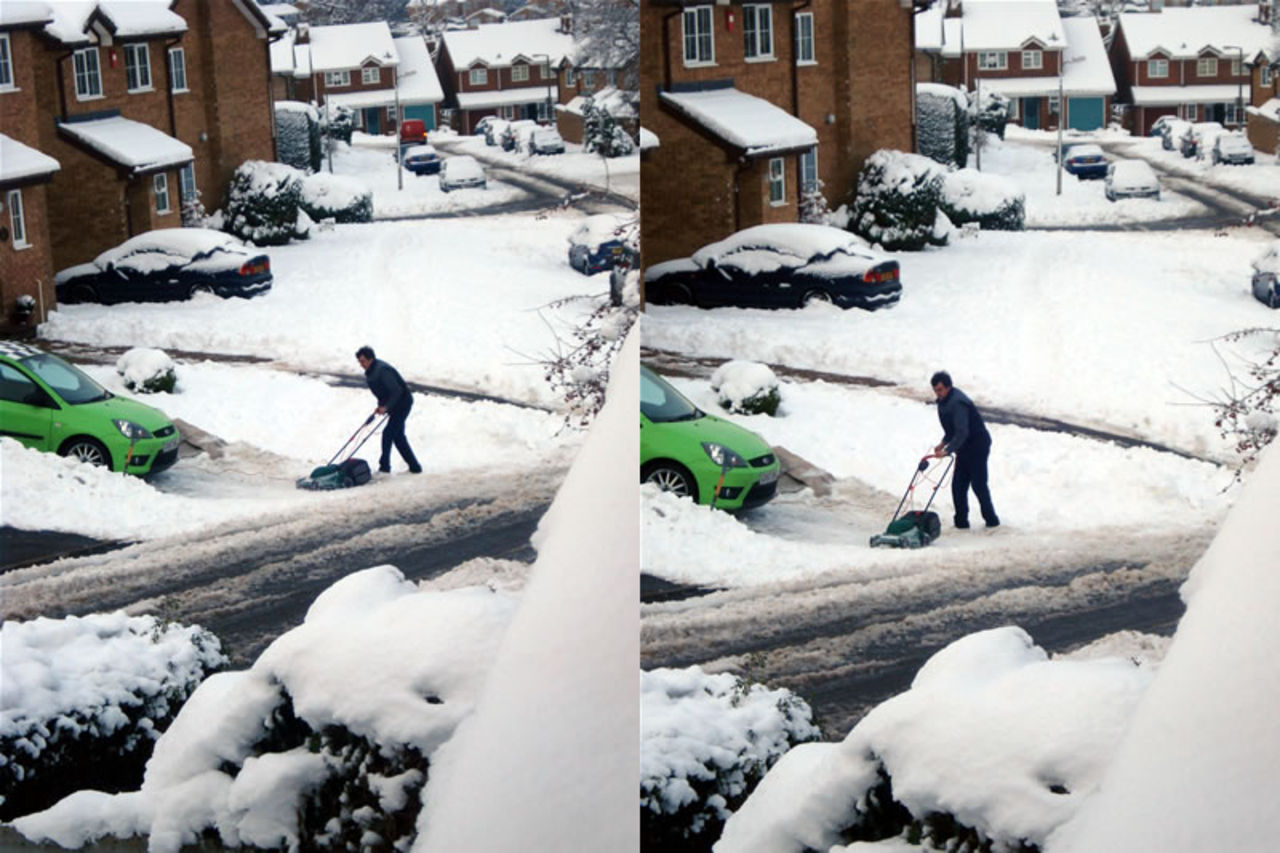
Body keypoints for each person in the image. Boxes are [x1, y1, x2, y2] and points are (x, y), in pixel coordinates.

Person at [930, 370, 999, 529]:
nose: (937, 393)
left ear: (948, 387)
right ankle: (961, 523)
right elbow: (952, 429)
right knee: (958, 486)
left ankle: (992, 520)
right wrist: (943, 442)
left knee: (978, 484)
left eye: (940, 390)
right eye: (935, 390)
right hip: (963, 447)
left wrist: (947, 450)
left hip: (977, 445)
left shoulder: (958, 403)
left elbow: (962, 431)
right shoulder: (944, 402)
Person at [355, 345, 421, 474]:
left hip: (403, 403)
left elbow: (396, 390)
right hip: (395, 404)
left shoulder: (382, 370)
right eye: (359, 362)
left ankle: (384, 467)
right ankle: (415, 467)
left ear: (370, 359)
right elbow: (382, 392)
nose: (361, 364)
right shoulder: (371, 372)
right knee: (398, 437)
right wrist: (381, 406)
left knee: (388, 434)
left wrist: (386, 407)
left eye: (362, 361)